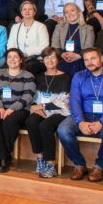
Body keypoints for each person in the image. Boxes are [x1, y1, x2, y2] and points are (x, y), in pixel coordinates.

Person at [57, 47, 103, 183]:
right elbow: (74, 100)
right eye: (86, 60)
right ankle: (79, 165)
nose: (89, 62)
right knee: (63, 129)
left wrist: (101, 122)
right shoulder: (79, 76)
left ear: (102, 59)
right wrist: (80, 121)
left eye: (93, 58)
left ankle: (99, 167)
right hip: (84, 114)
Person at [0, 48, 35, 172]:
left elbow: (28, 96)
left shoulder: (28, 75)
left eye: (15, 57)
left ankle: (3, 158)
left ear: (21, 60)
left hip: (20, 109)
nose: (12, 59)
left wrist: (12, 109)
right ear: (6, 60)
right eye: (9, 57)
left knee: (9, 121)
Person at [24, 47, 71, 178]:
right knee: (31, 121)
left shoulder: (66, 77)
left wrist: (43, 106)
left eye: (52, 57)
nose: (49, 60)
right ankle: (40, 158)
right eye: (46, 58)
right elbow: (34, 97)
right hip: (41, 109)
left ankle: (51, 164)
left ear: (58, 60)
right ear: (43, 60)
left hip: (60, 111)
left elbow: (65, 101)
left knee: (45, 126)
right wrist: (35, 107)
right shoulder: (39, 77)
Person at [51, 3, 94, 76]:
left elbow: (89, 48)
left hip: (80, 60)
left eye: (72, 10)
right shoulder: (59, 27)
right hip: (63, 59)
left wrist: (78, 56)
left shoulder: (88, 28)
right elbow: (54, 46)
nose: (69, 14)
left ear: (79, 12)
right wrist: (62, 54)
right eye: (66, 12)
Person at [7, 1, 49, 73]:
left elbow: (44, 47)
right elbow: (10, 45)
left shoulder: (41, 27)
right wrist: (16, 55)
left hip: (34, 59)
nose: (27, 11)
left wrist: (27, 53)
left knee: (27, 67)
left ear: (34, 12)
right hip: (17, 58)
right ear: (21, 12)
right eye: (24, 9)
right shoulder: (15, 27)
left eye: (30, 9)